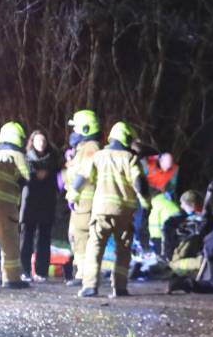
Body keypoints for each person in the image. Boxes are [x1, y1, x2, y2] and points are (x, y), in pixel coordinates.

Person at [68, 121, 147, 298]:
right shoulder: (130, 158)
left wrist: (73, 194)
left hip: (100, 210)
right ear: (126, 138)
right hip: (124, 212)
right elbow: (139, 183)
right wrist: (146, 201)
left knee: (94, 247)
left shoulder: (98, 156)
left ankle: (90, 286)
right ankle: (119, 287)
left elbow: (82, 176)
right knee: (123, 249)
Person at [0, 122, 30, 288]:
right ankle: (12, 278)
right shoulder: (17, 155)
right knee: (9, 243)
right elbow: (26, 177)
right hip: (6, 206)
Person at [63, 109, 102, 286]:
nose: (74, 132)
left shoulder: (91, 147)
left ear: (86, 129)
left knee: (83, 236)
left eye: (77, 128)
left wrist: (74, 191)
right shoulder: (82, 148)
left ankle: (85, 275)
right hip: (79, 201)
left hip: (86, 200)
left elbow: (85, 173)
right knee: (76, 235)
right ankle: (81, 272)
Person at [19, 130, 59, 282]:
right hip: (29, 202)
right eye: (37, 141)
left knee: (44, 239)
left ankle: (41, 272)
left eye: (43, 140)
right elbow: (23, 178)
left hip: (47, 202)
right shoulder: (25, 158)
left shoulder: (53, 159)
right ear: (32, 142)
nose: (41, 143)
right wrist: (35, 175)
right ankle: (25, 271)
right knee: (26, 237)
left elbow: (56, 180)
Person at [160, 189, 204, 262]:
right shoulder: (205, 216)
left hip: (186, 256)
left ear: (191, 205)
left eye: (183, 204)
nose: (181, 206)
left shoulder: (184, 222)